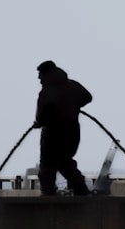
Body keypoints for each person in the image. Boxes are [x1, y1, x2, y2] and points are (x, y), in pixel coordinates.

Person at [33, 60, 93, 196]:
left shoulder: (48, 91)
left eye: (40, 75)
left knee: (48, 165)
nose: (39, 78)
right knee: (65, 161)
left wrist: (40, 122)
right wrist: (74, 106)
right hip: (72, 131)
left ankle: (48, 194)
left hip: (53, 132)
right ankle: (81, 190)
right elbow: (87, 97)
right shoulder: (72, 85)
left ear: (46, 74)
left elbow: (41, 116)